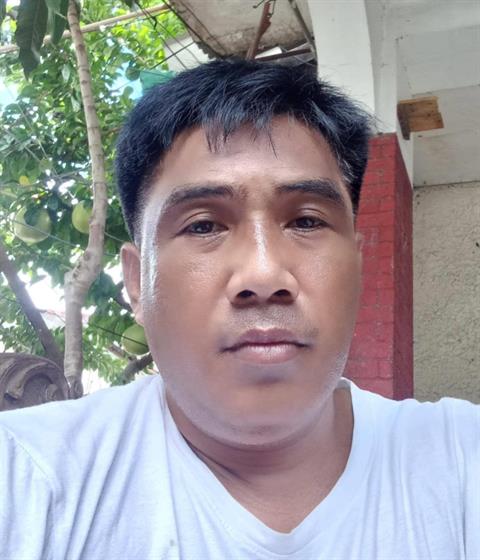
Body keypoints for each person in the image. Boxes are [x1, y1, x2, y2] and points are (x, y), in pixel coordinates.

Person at [0, 58, 478, 560]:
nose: (264, 275)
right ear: (138, 283)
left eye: (307, 221)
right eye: (204, 226)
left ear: (357, 268)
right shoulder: (29, 478)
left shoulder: (462, 461)